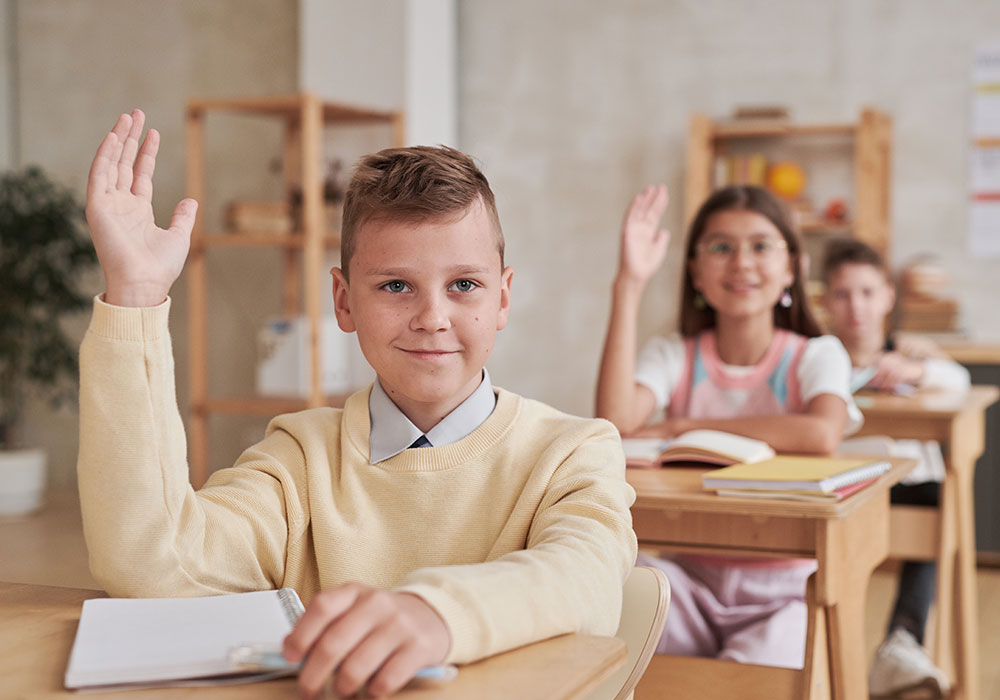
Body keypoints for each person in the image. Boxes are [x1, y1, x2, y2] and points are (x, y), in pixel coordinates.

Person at [78, 109, 637, 699]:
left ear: (502, 297)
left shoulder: (573, 451)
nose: (432, 318)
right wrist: (136, 298)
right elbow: (155, 562)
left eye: (464, 285)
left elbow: (588, 579)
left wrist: (436, 615)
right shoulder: (298, 457)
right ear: (343, 302)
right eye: (396, 286)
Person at [596, 184, 861, 669]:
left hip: (786, 595)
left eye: (761, 246)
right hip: (688, 583)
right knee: (612, 585)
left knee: (755, 669)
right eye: (720, 247)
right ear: (695, 269)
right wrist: (629, 284)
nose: (741, 263)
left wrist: (683, 425)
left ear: (792, 267)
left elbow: (821, 432)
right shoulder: (675, 352)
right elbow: (614, 422)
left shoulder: (817, 354)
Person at [821, 238, 968, 700]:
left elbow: (959, 381)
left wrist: (915, 372)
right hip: (843, 486)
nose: (856, 307)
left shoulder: (911, 351)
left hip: (911, 486)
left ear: (887, 295)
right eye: (842, 294)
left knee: (940, 502)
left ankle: (902, 640)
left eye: (867, 292)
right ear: (826, 301)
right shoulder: (817, 358)